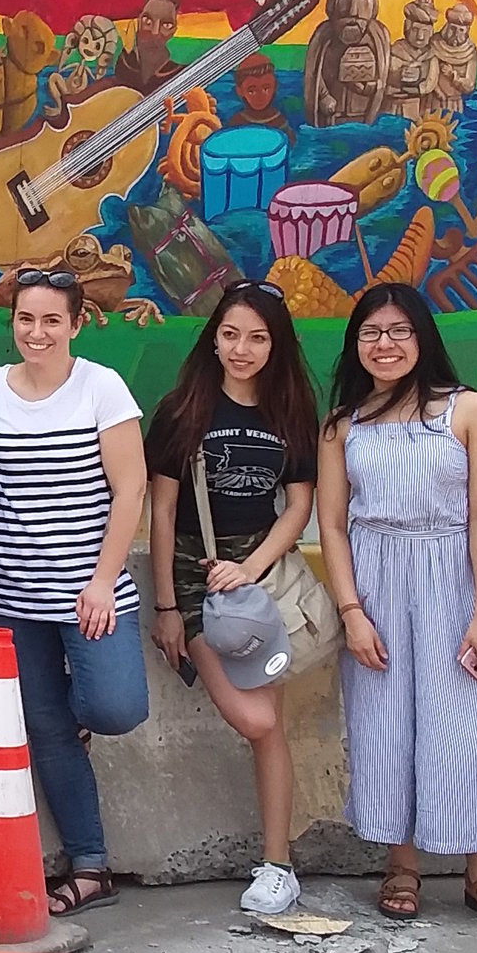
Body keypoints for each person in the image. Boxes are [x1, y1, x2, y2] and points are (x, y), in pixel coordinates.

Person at [0, 271, 149, 917]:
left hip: (88, 592)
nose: (37, 332)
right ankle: (90, 865)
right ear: (12, 322)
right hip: (6, 592)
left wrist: (103, 579)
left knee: (114, 706)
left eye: (52, 320)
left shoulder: (101, 387)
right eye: (26, 319)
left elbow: (129, 489)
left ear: (77, 323)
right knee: (46, 728)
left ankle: (74, 721)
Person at [316, 285, 477, 934]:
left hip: (452, 583)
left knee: (461, 729)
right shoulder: (343, 425)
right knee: (385, 729)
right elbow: (332, 525)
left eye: (399, 330)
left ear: (423, 337)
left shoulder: (470, 411)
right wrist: (351, 611)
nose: (385, 343)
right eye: (371, 331)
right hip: (376, 586)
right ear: (355, 344)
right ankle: (400, 865)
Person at [145, 281, 322, 916]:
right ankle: (278, 863)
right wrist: (167, 605)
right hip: (196, 573)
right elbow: (160, 511)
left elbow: (298, 505)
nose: (241, 349)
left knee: (266, 729)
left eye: (256, 337)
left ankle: (278, 866)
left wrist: (250, 567)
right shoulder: (182, 410)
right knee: (254, 718)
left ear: (276, 345)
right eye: (230, 335)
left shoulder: (291, 412)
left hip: (259, 577)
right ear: (213, 338)